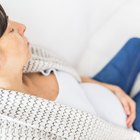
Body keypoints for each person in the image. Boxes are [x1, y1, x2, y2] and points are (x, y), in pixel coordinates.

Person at [0, 4, 139, 132]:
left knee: (135, 44)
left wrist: (113, 89)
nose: (22, 27)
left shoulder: (31, 59)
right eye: (11, 30)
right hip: (127, 127)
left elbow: (76, 79)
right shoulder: (20, 128)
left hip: (106, 92)